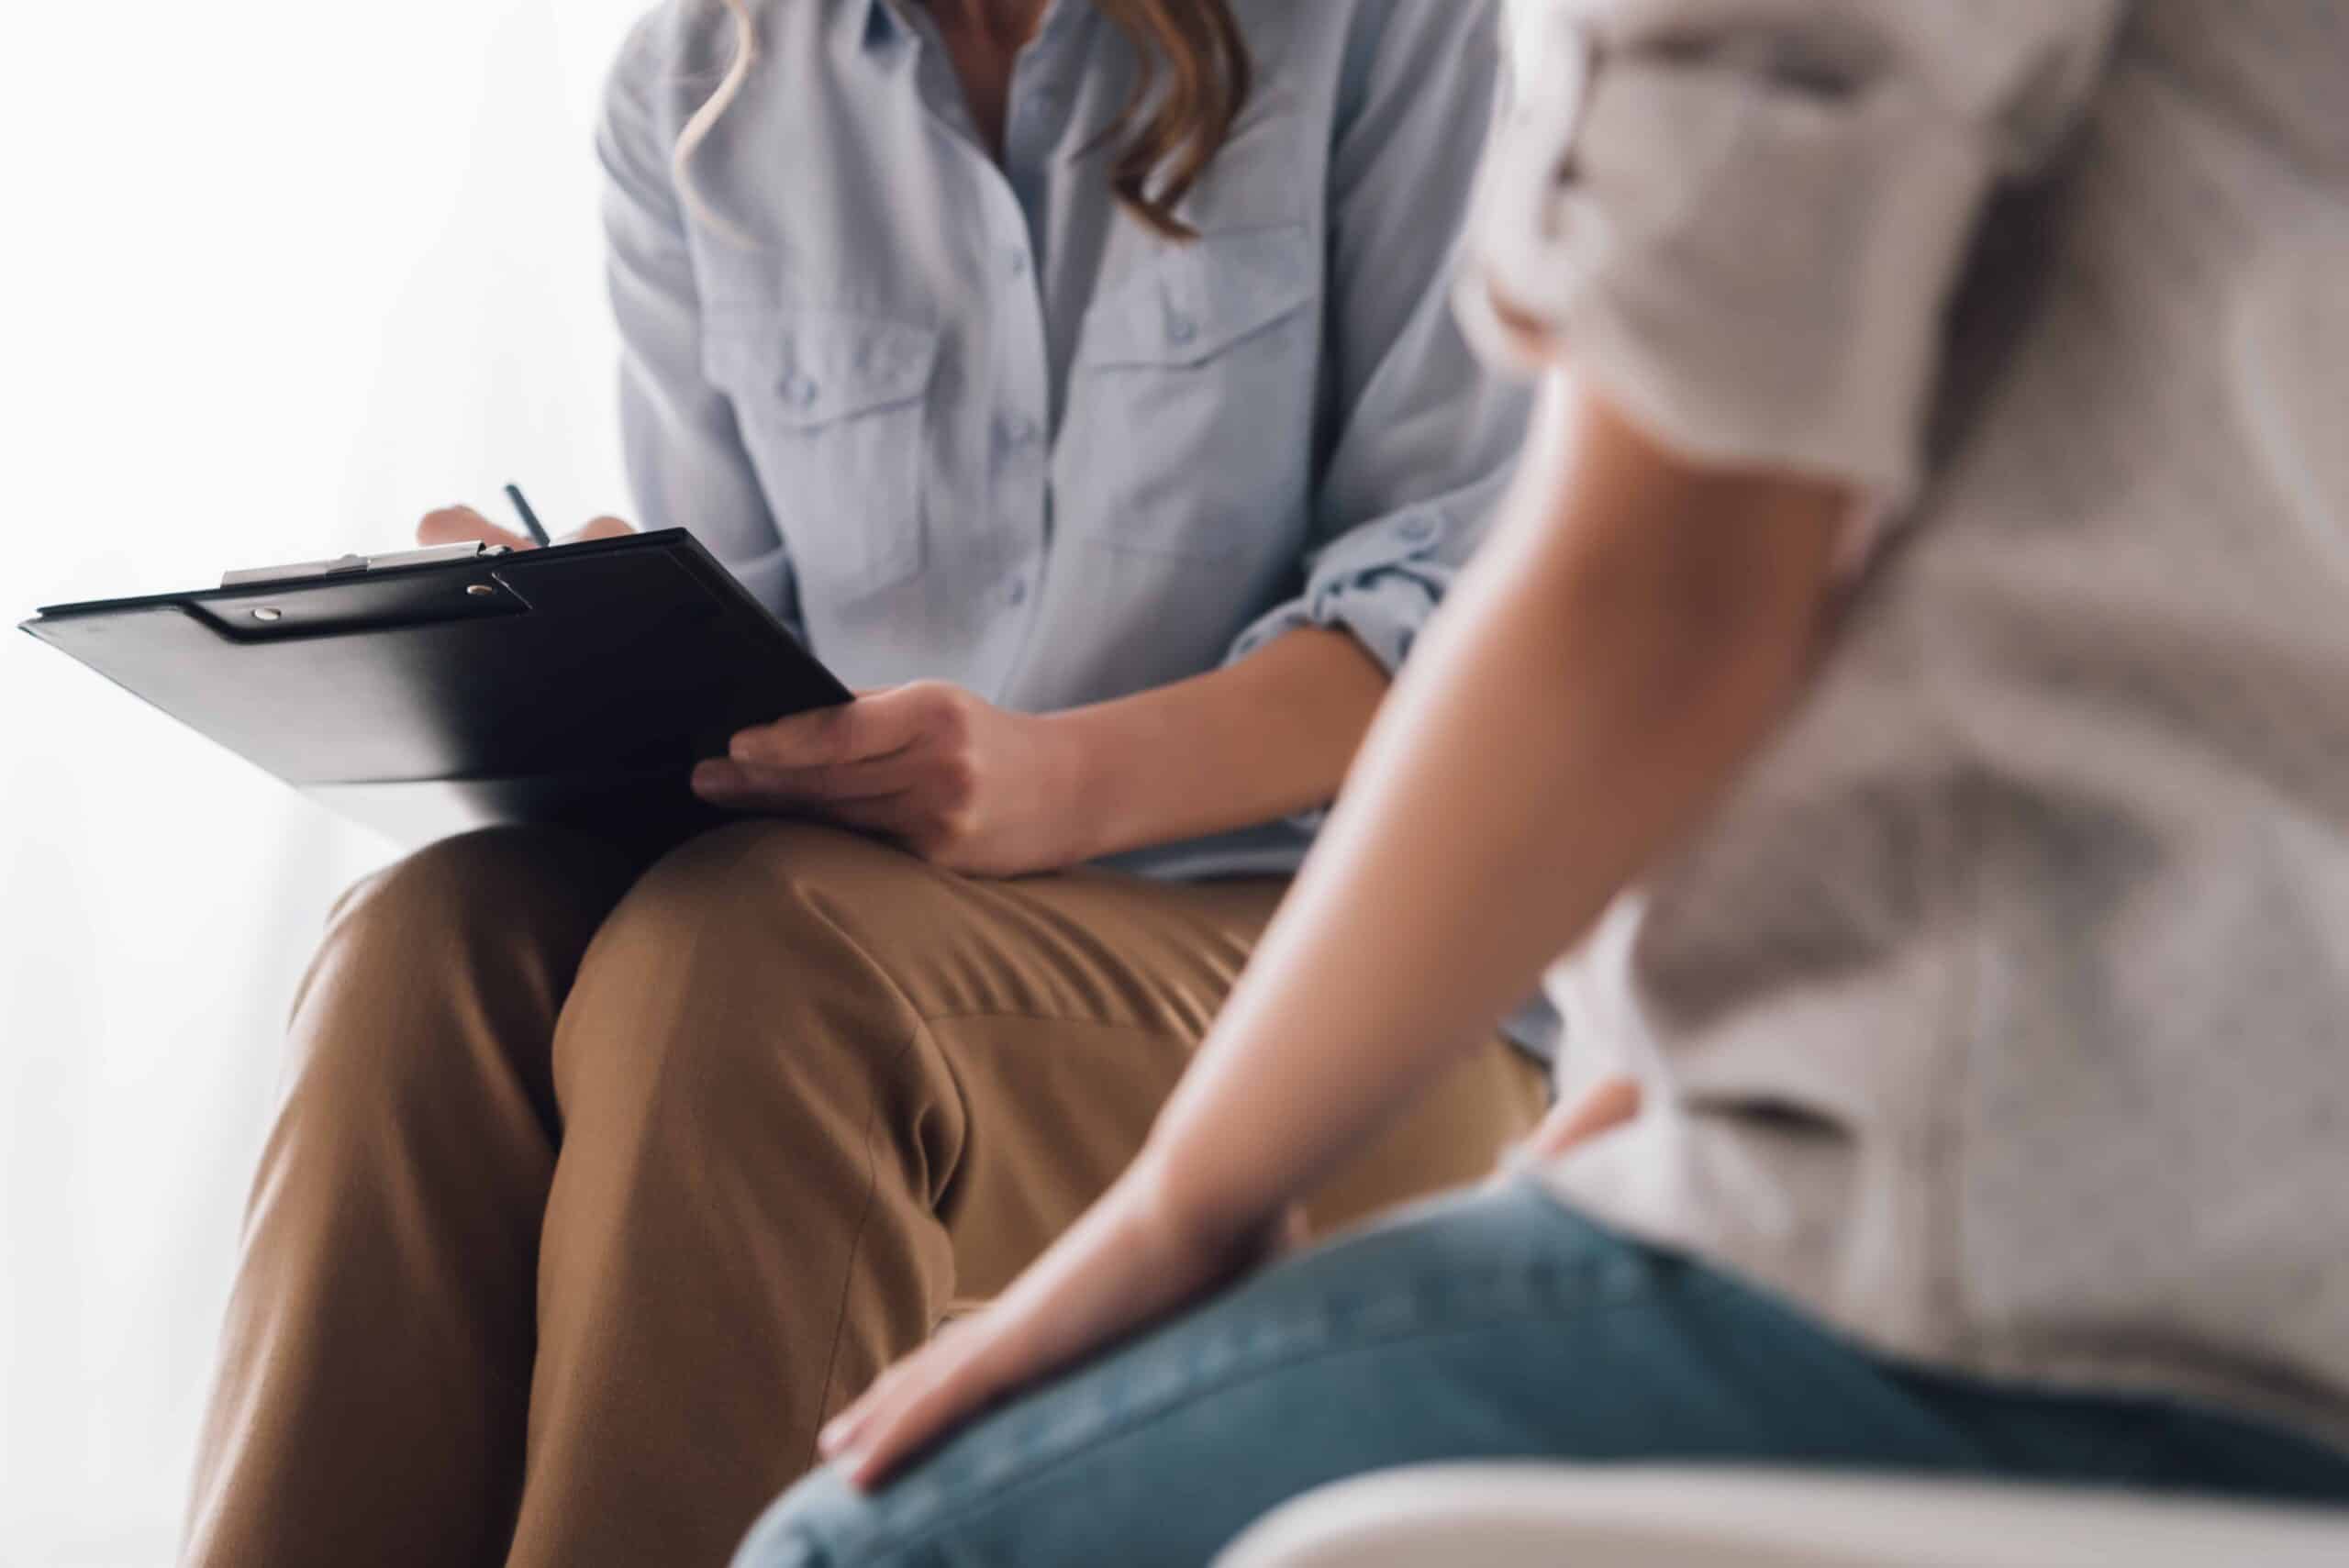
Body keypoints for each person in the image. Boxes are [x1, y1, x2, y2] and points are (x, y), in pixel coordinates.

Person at [731, 2, 2349, 1562]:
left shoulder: (1379, 36)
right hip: (2203, 1211)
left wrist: (1188, 1200)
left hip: (1988, 1255)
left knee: (852, 1546)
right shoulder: (705, 93)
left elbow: (1659, 592)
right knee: (608, 933)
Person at [179, 4, 1553, 1566]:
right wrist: (603, 654)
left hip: (1358, 982)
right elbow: (754, 684)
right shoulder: (694, 87)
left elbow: (1466, 627)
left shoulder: (1386, 28)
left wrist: (1050, 780)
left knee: (761, 966)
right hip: (880, 911)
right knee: (427, 940)